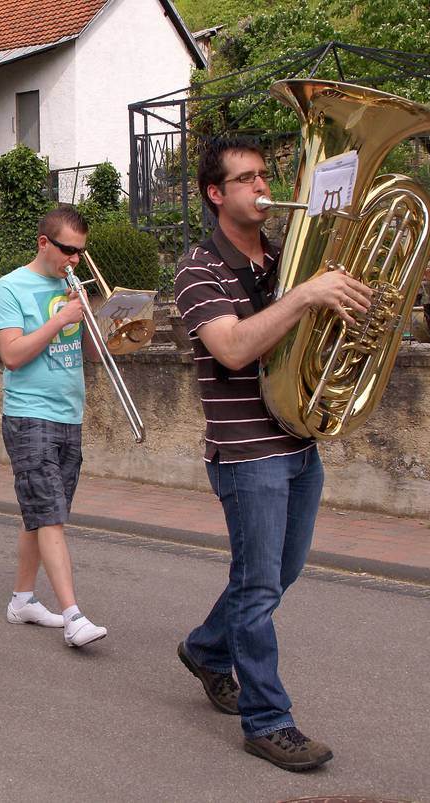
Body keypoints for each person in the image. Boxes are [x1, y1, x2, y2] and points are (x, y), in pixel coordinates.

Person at [173, 136, 372, 772]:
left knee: (277, 575)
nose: (263, 187)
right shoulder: (197, 267)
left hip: (298, 437)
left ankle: (207, 648)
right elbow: (232, 349)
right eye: (247, 179)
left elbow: (305, 336)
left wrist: (353, 307)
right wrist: (308, 296)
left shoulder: (285, 262)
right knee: (259, 587)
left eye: (265, 175)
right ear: (216, 193)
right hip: (245, 449)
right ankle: (268, 720)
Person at [0, 207, 107, 648]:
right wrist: (60, 319)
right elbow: (13, 354)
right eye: (67, 250)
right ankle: (73, 616)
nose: (74, 260)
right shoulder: (11, 286)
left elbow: (93, 355)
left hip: (68, 413)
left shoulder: (73, 288)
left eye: (80, 252)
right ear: (44, 243)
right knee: (51, 515)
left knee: (41, 514)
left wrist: (104, 319)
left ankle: (22, 600)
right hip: (28, 413)